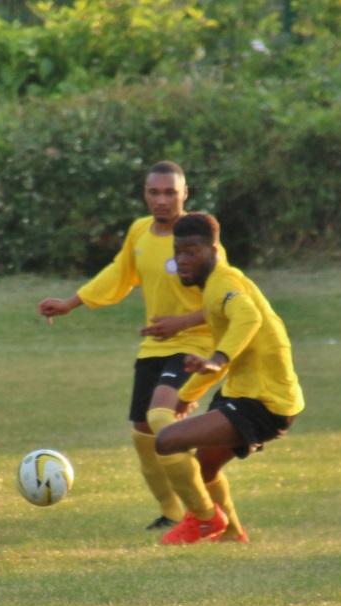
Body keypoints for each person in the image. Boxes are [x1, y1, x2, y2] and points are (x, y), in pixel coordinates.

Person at [37, 162, 247, 538]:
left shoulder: (198, 240)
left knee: (161, 418)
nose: (162, 200)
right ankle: (173, 513)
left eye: (170, 192)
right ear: (145, 194)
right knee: (143, 434)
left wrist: (181, 323)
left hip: (196, 346)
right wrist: (71, 303)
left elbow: (227, 299)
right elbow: (119, 274)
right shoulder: (139, 231)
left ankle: (211, 517)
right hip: (155, 347)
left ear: (185, 194)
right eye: (154, 192)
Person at [154, 213, 304, 545]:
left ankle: (204, 520)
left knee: (166, 441)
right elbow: (227, 351)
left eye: (191, 252)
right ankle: (233, 534)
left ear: (213, 250)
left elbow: (248, 317)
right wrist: (187, 395)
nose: (182, 260)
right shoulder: (216, 286)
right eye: (178, 252)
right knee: (205, 466)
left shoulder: (224, 283)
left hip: (263, 402)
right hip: (245, 392)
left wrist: (217, 359)